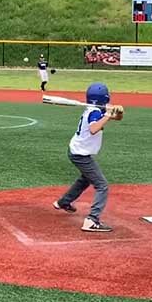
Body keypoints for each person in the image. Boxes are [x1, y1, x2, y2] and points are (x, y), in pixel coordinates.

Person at [53, 82, 123, 232]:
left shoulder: (96, 109)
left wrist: (118, 112)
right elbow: (93, 129)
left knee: (86, 179)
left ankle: (64, 202)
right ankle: (92, 220)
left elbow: (116, 118)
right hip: (80, 154)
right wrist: (108, 115)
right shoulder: (95, 112)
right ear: (105, 97)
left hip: (77, 151)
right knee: (102, 185)